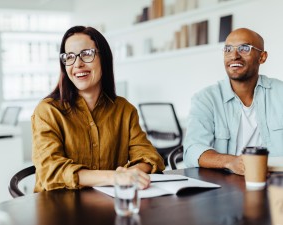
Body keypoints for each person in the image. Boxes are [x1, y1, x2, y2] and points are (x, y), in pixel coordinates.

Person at [31, 25, 165, 192]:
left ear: (104, 59)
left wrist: (131, 174)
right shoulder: (48, 111)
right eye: (70, 57)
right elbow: (51, 170)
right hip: (59, 209)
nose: (77, 64)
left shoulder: (124, 110)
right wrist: (115, 177)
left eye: (87, 54)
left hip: (109, 206)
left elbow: (149, 156)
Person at [183, 28, 283, 175]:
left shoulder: (280, 93)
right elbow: (193, 150)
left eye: (244, 48)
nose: (234, 55)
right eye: (228, 49)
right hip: (225, 184)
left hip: (277, 181)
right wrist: (230, 161)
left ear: (262, 57)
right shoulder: (205, 99)